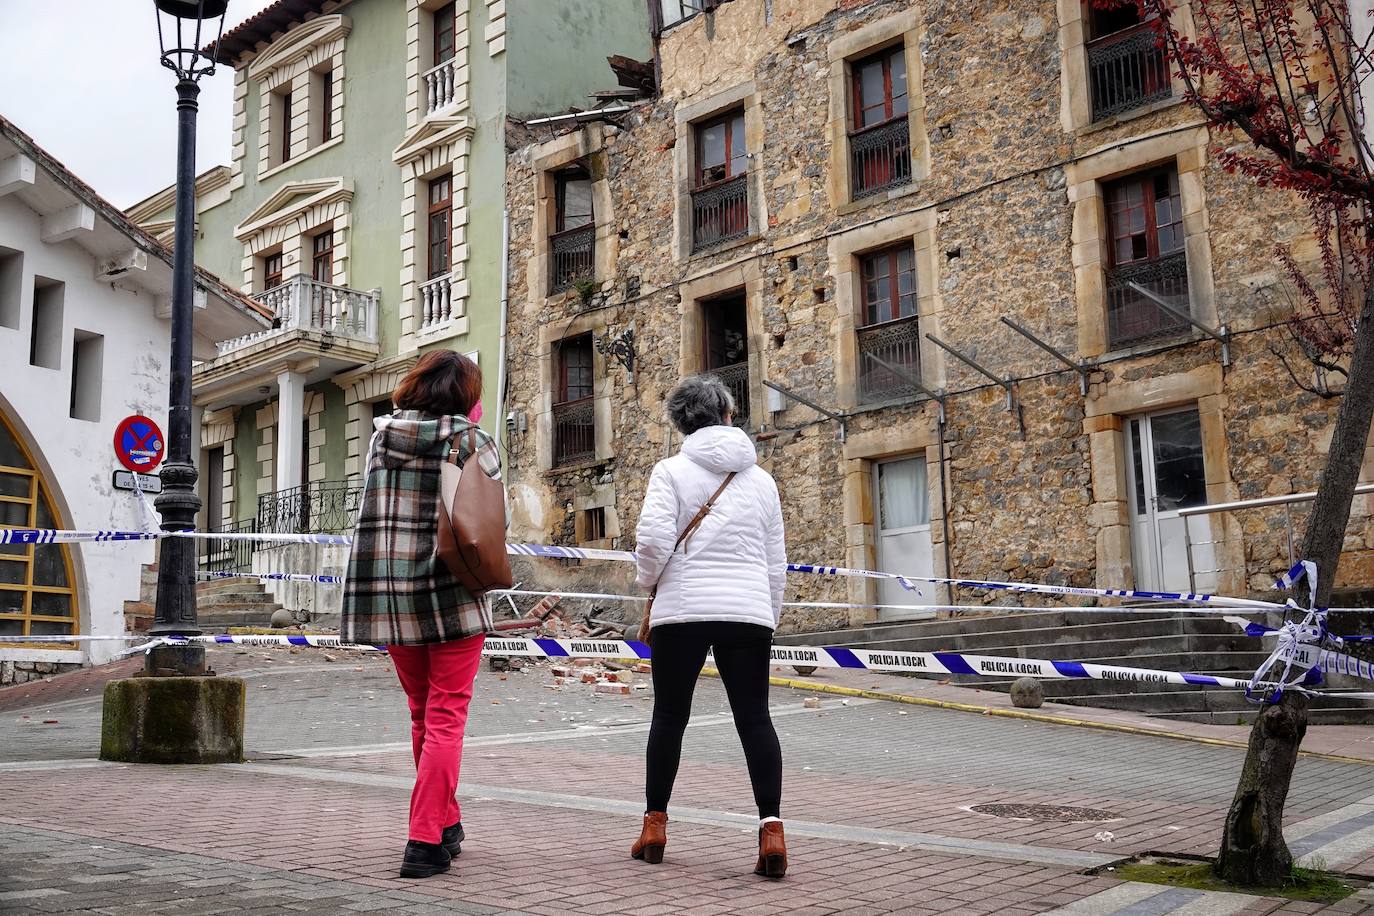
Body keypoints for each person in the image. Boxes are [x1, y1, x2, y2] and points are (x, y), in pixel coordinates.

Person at [341, 350, 501, 879]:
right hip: (452, 592)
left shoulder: (381, 439)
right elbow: (492, 519)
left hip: (392, 594)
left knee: (421, 712)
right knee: (447, 716)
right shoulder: (473, 442)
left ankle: (445, 822)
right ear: (465, 395)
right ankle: (424, 838)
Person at [630, 374, 789, 878]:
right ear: (726, 415)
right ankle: (771, 830)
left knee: (669, 718)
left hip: (683, 611)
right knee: (755, 718)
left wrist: (648, 584)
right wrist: (768, 613)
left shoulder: (670, 471)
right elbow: (775, 563)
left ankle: (655, 825)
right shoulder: (762, 481)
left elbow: (653, 542)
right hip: (748, 613)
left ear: (681, 422)